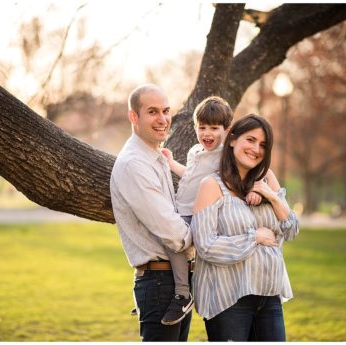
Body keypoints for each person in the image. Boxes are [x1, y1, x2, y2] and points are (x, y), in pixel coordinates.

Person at [156, 96, 281, 325]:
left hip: (199, 213)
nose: (207, 134)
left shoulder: (224, 155)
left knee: (173, 243)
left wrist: (256, 193)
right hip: (181, 209)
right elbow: (191, 176)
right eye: (202, 127)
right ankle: (168, 294)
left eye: (214, 128)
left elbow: (246, 177)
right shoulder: (196, 151)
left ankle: (183, 293)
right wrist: (172, 164)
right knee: (167, 242)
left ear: (228, 130)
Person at [191, 114, 299, 341]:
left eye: (263, 145)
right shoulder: (212, 185)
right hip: (229, 300)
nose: (256, 149)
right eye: (250, 140)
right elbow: (206, 246)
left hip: (269, 298)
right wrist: (254, 237)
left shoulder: (267, 178)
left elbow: (291, 230)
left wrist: (272, 196)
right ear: (232, 140)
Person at [109, 84, 195, 341]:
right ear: (134, 117)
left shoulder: (154, 158)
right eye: (153, 112)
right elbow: (173, 233)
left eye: (166, 111)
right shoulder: (134, 164)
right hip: (160, 283)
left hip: (172, 281)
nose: (163, 119)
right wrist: (209, 241)